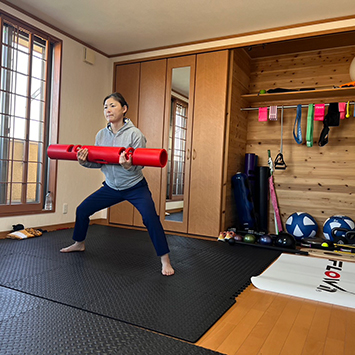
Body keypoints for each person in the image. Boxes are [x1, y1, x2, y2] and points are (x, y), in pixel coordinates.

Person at [60, 92, 175, 276]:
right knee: (82, 210)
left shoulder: (135, 135)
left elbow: (141, 164)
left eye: (113, 105)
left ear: (124, 109)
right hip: (111, 187)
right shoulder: (101, 135)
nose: (108, 110)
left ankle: (165, 260)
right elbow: (98, 162)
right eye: (105, 106)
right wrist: (83, 161)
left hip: (135, 187)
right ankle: (79, 243)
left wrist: (129, 166)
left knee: (150, 219)